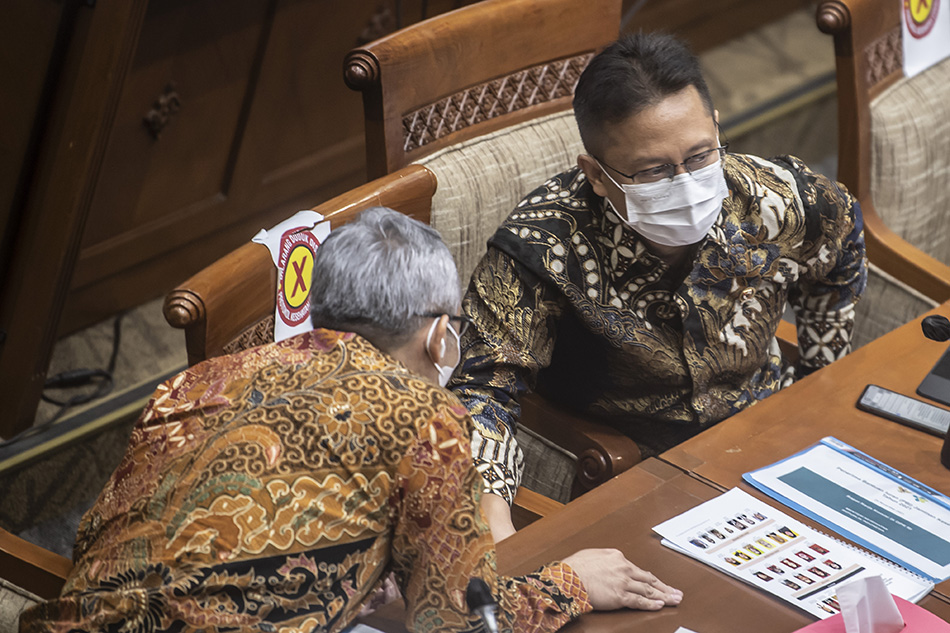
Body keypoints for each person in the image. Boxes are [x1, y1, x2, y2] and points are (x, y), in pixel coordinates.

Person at [19, 207, 681, 633]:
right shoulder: (427, 418)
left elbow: (110, 534)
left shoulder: (196, 380)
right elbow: (454, 621)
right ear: (439, 334)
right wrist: (573, 583)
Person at [451, 33, 867, 540]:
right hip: (632, 467)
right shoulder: (540, 245)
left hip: (767, 433)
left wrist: (821, 386)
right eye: (653, 171)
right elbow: (481, 388)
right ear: (597, 175)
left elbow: (841, 248)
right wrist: (493, 515)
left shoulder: (782, 199)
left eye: (698, 156)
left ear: (716, 128)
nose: (686, 184)